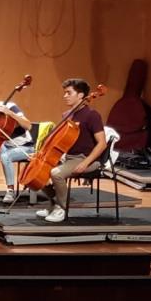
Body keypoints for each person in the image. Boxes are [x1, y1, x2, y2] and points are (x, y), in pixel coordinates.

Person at [36, 78, 107, 223]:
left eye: (69, 93)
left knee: (56, 173)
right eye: (65, 93)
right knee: (38, 173)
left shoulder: (92, 115)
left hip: (87, 159)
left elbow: (102, 144)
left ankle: (61, 208)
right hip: (69, 158)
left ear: (81, 95)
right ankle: (53, 204)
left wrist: (86, 163)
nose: (65, 96)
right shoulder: (67, 115)